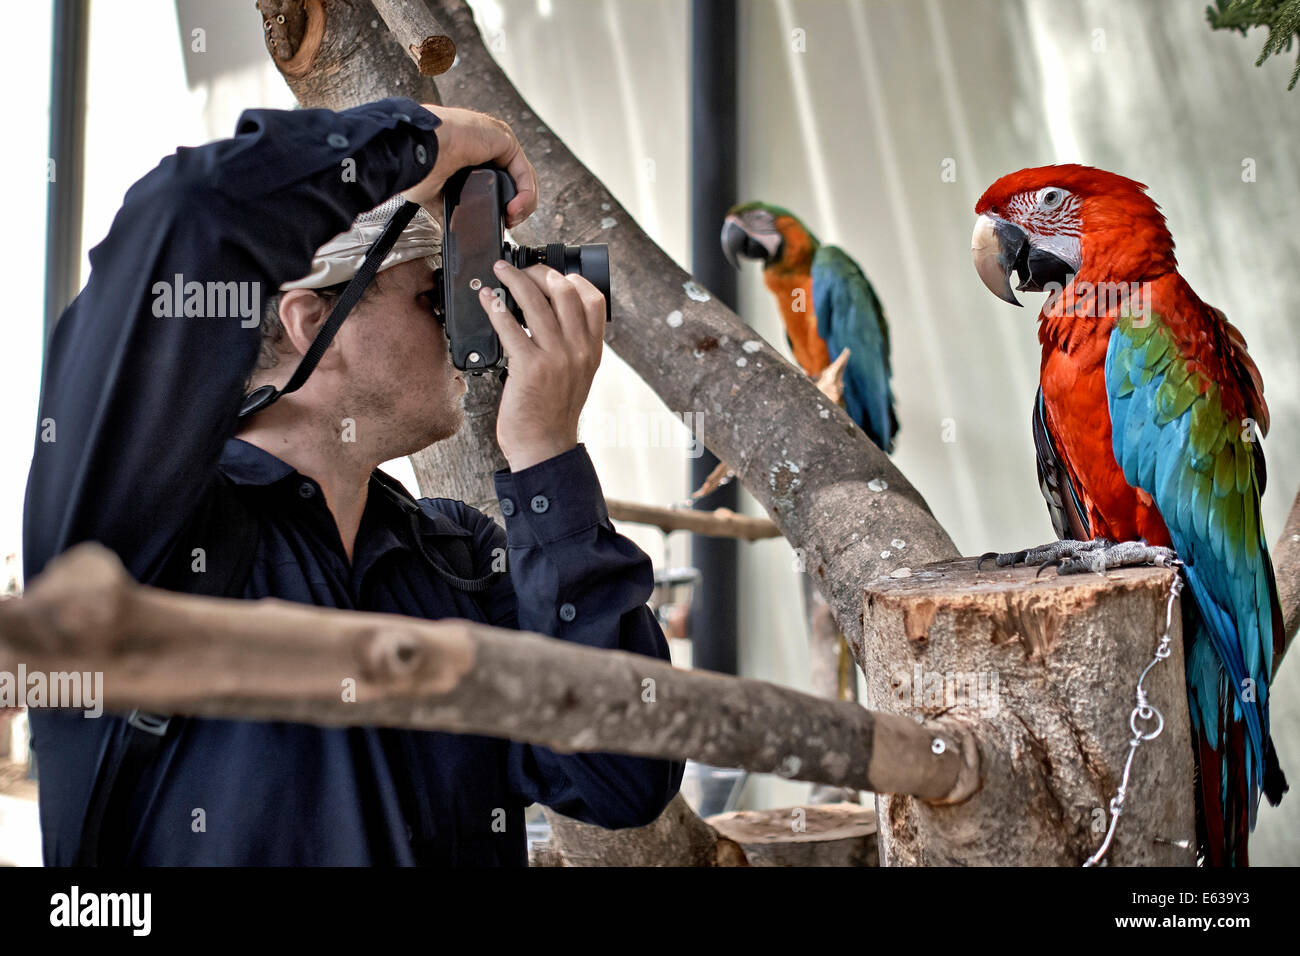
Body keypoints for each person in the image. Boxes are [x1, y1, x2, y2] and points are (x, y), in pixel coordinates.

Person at [23, 96, 683, 866]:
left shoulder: (456, 562)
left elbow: (623, 777)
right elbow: (187, 210)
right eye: (434, 293)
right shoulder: (143, 532)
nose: (465, 319)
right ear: (310, 322)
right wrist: (426, 137)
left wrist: (546, 454)